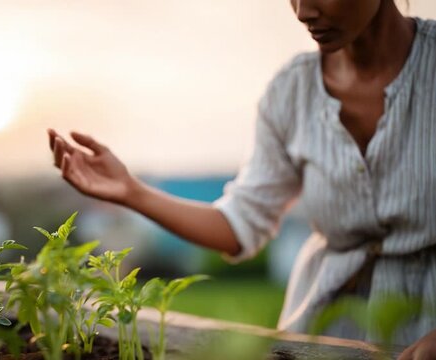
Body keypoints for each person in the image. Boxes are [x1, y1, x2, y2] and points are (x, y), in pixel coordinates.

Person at [47, 0, 436, 358]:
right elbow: (241, 224)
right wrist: (131, 192)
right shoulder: (291, 92)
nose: (302, 11)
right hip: (322, 334)